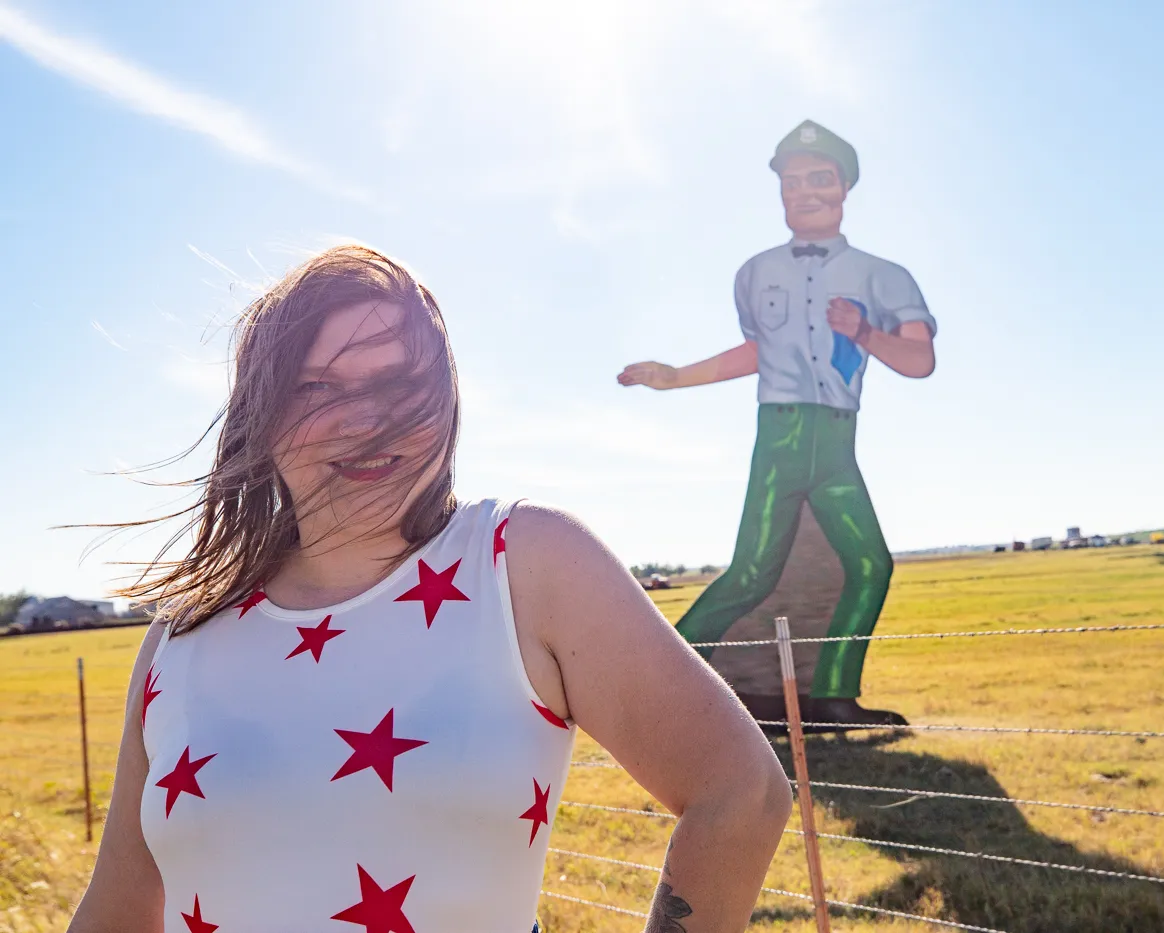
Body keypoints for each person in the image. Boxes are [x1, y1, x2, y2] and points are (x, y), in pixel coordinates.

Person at [67, 246, 792, 933]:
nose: (364, 419)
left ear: (447, 397)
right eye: (314, 387)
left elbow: (741, 793)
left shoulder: (524, 561)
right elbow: (118, 908)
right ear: (260, 413)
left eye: (399, 382)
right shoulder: (181, 633)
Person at [618, 120, 937, 728]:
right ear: (781, 193)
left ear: (844, 188)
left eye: (820, 178)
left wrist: (865, 333)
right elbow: (758, 352)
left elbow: (919, 361)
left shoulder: (883, 274)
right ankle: (658, 684)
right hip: (781, 436)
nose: (806, 191)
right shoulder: (755, 271)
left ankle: (833, 699)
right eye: (792, 182)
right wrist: (675, 376)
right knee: (751, 573)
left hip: (837, 439)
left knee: (870, 564)